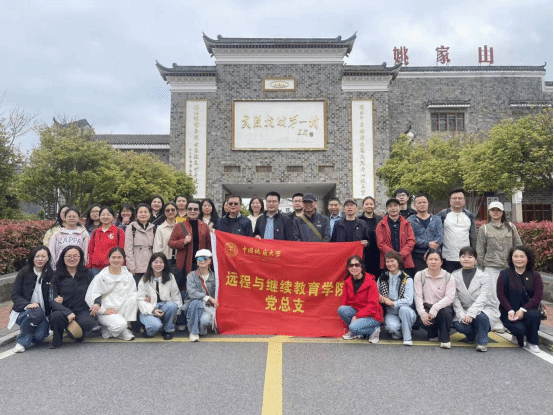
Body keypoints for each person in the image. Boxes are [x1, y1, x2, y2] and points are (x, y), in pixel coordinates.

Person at [452, 247, 500, 352]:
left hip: (482, 308)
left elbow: (483, 297)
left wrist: (471, 314)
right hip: (464, 309)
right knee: (460, 326)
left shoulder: (484, 275)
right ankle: (472, 335)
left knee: (481, 317)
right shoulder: (454, 275)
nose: (466, 259)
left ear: (476, 260)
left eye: (470, 257)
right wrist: (462, 315)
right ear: (459, 259)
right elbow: (454, 298)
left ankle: (482, 342)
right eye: (463, 256)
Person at [497, 245, 544, 353]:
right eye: (516, 256)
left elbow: (537, 297)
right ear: (511, 258)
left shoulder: (535, 275)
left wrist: (523, 310)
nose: (519, 259)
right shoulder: (504, 274)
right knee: (520, 330)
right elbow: (501, 295)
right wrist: (510, 310)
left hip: (528, 311)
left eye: (522, 256)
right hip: (510, 312)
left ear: (528, 258)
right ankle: (516, 334)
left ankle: (532, 342)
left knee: (533, 315)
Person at [49, 246, 97, 348]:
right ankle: (57, 338)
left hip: (82, 309)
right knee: (56, 317)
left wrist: (97, 303)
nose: (72, 259)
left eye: (75, 256)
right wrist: (67, 312)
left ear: (80, 258)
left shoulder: (87, 273)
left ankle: (77, 331)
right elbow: (51, 299)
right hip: (63, 310)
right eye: (69, 256)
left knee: (87, 322)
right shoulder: (56, 275)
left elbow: (96, 291)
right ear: (63, 258)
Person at [85, 247, 137, 341]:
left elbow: (132, 294)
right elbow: (91, 295)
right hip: (107, 311)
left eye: (119, 257)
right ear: (109, 259)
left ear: (123, 259)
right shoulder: (100, 277)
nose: (116, 260)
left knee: (135, 297)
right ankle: (119, 329)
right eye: (113, 257)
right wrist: (103, 310)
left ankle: (118, 328)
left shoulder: (128, 276)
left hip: (122, 310)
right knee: (120, 325)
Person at [10, 246, 54, 353]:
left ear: (48, 258)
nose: (40, 259)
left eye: (43, 256)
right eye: (37, 256)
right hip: (23, 312)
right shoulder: (24, 273)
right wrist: (28, 305)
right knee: (35, 311)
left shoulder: (51, 274)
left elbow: (55, 294)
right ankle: (21, 343)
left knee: (39, 337)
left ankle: (28, 332)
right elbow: (15, 294)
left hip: (43, 315)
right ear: (32, 258)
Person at [414, 249, 456, 349]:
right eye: (430, 259)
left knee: (446, 313)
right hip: (426, 306)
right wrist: (423, 314)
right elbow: (418, 296)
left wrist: (435, 308)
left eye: (436, 259)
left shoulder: (449, 277)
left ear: (441, 262)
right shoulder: (420, 275)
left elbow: (450, 297)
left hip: (442, 307)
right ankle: (432, 333)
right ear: (426, 261)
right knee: (419, 317)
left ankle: (445, 338)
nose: (433, 262)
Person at [476, 201, 522, 288]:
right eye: (493, 210)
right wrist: (480, 268)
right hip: (491, 266)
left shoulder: (511, 227)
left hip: (509, 265)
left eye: (498, 210)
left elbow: (518, 246)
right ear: (489, 212)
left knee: (510, 291)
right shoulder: (484, 229)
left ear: (502, 212)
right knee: (493, 292)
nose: (495, 212)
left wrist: (518, 263)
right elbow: (480, 250)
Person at [338, 255, 383, 343]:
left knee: (353, 327)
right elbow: (344, 302)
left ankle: (374, 330)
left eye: (357, 265)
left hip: (372, 315)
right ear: (348, 268)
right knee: (341, 309)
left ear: (361, 266)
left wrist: (357, 316)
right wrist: (347, 325)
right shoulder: (347, 282)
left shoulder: (371, 282)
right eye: (351, 265)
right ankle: (355, 331)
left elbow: (373, 305)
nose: (354, 267)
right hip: (358, 312)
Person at [137, 253, 182, 340]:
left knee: (172, 305)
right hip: (149, 309)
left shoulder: (170, 277)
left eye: (161, 262)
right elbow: (140, 300)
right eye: (155, 262)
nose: (158, 265)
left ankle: (168, 330)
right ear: (151, 264)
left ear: (165, 264)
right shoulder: (144, 279)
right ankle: (149, 329)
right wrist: (153, 310)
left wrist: (176, 312)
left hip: (164, 307)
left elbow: (176, 295)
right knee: (155, 326)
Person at [169, 200, 211, 289]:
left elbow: (209, 246)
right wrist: (183, 242)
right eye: (190, 209)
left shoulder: (204, 226)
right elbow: (170, 243)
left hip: (200, 262)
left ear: (199, 211)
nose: (192, 211)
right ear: (186, 210)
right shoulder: (179, 226)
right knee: (184, 289)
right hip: (184, 264)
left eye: (195, 209)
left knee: (200, 287)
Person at [377, 251, 416, 346]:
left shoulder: (407, 279)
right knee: (392, 328)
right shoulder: (382, 278)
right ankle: (402, 331)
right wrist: (381, 298)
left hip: (406, 310)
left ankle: (407, 337)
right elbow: (376, 293)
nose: (390, 264)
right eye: (387, 261)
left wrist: (393, 303)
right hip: (391, 312)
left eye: (392, 261)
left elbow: (409, 300)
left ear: (398, 262)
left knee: (404, 309)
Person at [438, 188, 477, 273]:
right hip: (447, 258)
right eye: (454, 198)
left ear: (464, 201)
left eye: (460, 198)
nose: (457, 200)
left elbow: (473, 237)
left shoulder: (469, 215)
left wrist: (474, 255)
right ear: (450, 201)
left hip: (465, 258)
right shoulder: (443, 215)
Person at [184, 249, 218, 342]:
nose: (202, 260)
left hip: (208, 307)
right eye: (199, 258)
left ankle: (199, 329)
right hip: (192, 306)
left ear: (210, 261)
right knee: (196, 302)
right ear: (197, 261)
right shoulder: (191, 275)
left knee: (205, 321)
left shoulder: (215, 276)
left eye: (205, 258)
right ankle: (193, 332)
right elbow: (192, 293)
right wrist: (208, 298)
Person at [376, 198, 416, 276]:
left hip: (405, 261)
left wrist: (401, 255)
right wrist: (393, 256)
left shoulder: (407, 224)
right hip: (388, 262)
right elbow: (381, 244)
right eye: (390, 206)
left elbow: (411, 241)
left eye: (395, 206)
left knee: (405, 282)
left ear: (399, 207)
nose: (393, 208)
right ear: (387, 209)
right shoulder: (381, 225)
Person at [407, 194, 443, 272]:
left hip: (435, 255)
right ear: (415, 205)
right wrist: (427, 244)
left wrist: (430, 251)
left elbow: (440, 236)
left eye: (424, 202)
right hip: (417, 256)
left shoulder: (437, 219)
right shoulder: (410, 220)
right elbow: (412, 237)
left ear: (428, 204)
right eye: (419, 203)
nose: (422, 204)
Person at [88, 206, 125, 275]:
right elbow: (90, 251)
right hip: (96, 268)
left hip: (112, 267)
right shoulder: (95, 232)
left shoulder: (119, 231)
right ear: (99, 217)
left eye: (108, 215)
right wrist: (89, 266)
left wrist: (121, 266)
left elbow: (122, 250)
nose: (105, 217)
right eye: (103, 215)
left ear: (113, 217)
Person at [124, 203, 156, 285]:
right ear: (136, 214)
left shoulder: (153, 228)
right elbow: (128, 249)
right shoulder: (131, 228)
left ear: (150, 214)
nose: (143, 214)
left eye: (145, 212)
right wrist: (131, 266)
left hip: (150, 266)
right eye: (140, 212)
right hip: (136, 267)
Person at [358, 196, 383, 279]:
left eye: (371, 204)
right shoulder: (358, 220)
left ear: (374, 206)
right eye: (367, 204)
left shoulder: (380, 220)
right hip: (364, 254)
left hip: (377, 254)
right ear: (363, 206)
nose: (369, 206)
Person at [153, 202, 178, 269]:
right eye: (167, 210)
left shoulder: (181, 227)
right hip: (165, 260)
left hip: (179, 260)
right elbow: (157, 248)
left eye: (173, 210)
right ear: (164, 212)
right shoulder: (160, 228)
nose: (170, 212)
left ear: (176, 211)